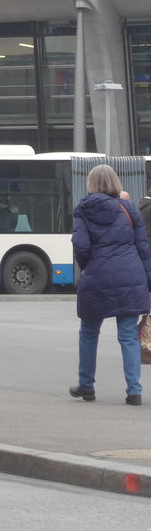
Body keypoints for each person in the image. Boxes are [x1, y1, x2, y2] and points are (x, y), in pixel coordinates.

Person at [70, 164, 150, 406]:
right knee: (128, 335)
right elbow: (143, 247)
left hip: (97, 276)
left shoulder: (83, 209)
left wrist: (88, 266)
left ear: (91, 184)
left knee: (89, 332)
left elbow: (81, 246)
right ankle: (134, 390)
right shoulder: (129, 208)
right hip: (130, 276)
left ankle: (87, 386)